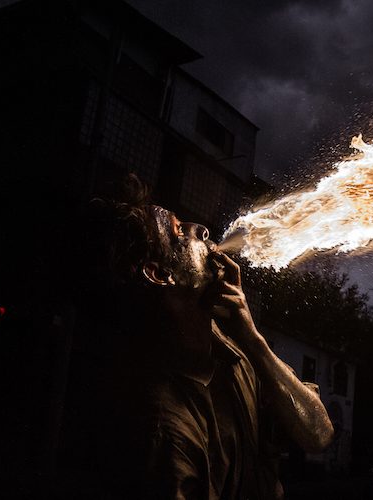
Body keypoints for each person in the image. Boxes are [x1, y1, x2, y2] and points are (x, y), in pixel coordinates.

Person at [59, 176, 333, 499]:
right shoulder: (163, 428)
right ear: (159, 274)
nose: (201, 230)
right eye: (178, 231)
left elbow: (319, 434)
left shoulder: (234, 351)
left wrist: (252, 339)